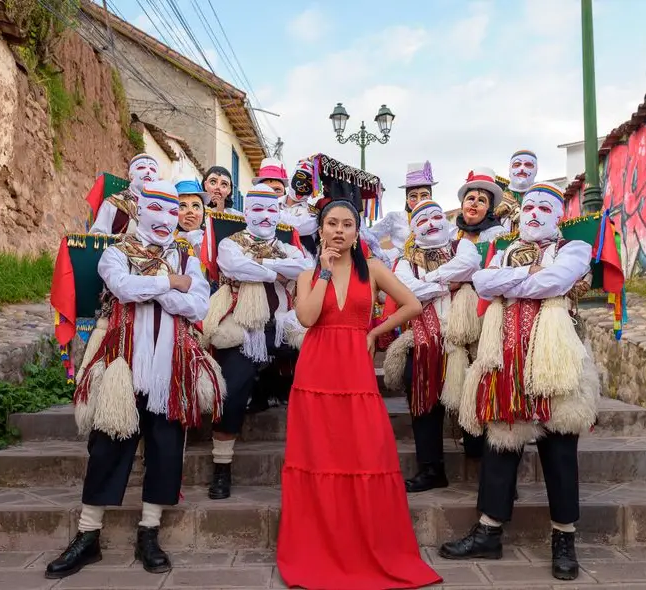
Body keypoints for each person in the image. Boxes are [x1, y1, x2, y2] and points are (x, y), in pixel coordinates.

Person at [46, 180, 223, 579]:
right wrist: (168, 283)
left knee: (164, 447)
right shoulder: (116, 251)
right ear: (140, 210)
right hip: (122, 367)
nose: (165, 219)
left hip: (169, 369)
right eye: (156, 209)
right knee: (108, 444)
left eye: (172, 211)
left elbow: (197, 303)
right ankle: (88, 535)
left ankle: (149, 531)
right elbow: (122, 288)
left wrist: (158, 290)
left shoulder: (185, 256)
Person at [276, 196, 441, 590]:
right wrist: (324, 273)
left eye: (347, 224)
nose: (338, 230)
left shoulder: (376, 269)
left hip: (355, 370)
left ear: (356, 231)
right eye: (331, 223)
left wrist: (374, 331)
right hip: (315, 373)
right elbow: (308, 317)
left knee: (366, 452)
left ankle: (365, 546)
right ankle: (319, 547)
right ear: (320, 229)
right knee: (318, 457)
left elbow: (413, 304)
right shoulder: (306, 275)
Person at [438, 182, 600, 581]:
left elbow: (556, 283)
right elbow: (483, 282)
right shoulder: (503, 249)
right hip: (506, 358)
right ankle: (488, 531)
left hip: (555, 362)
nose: (533, 212)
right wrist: (527, 273)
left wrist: (512, 281)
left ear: (558, 215)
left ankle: (564, 539)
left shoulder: (573, 249)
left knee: (560, 450)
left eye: (544, 206)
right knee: (501, 444)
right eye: (528, 205)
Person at [199, 183, 314, 499]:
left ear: (279, 213)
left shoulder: (291, 248)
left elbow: (304, 268)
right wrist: (277, 271)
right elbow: (236, 267)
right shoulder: (229, 244)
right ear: (246, 212)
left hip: (282, 326)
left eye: (271, 209)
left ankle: (320, 454)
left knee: (319, 367)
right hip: (242, 327)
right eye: (258, 209)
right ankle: (222, 466)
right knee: (233, 389)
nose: (265, 216)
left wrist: (262, 267)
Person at [382, 199, 484, 492]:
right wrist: (446, 284)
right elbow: (406, 292)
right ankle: (431, 469)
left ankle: (482, 464)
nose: (431, 223)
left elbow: (470, 267)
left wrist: (428, 281)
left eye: (437, 216)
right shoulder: (403, 261)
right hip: (423, 339)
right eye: (423, 220)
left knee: (472, 400)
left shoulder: (461, 246)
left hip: (464, 339)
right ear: (414, 229)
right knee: (422, 400)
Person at [369, 161, 437, 262]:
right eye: (413, 196)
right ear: (407, 199)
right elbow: (370, 237)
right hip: (401, 270)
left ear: (430, 197)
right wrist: (384, 256)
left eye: (424, 195)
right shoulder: (394, 217)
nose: (418, 200)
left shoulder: (438, 219)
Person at [89, 153, 160, 235]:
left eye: (153, 169)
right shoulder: (114, 202)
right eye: (141, 167)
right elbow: (96, 236)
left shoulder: (163, 209)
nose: (148, 172)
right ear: (131, 175)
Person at [455, 167, 508, 244]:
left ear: (489, 209)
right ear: (462, 205)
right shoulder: (450, 234)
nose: (474, 203)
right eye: (471, 198)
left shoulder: (499, 236)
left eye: (481, 201)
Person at [494, 150, 538, 232]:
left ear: (536, 170)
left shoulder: (543, 196)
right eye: (517, 165)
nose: (522, 169)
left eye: (528, 165)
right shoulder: (497, 198)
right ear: (510, 170)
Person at [175, 177, 208, 250]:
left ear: (203, 212)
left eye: (196, 207)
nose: (190, 211)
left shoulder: (213, 241)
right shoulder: (167, 240)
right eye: (182, 207)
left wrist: (194, 232)